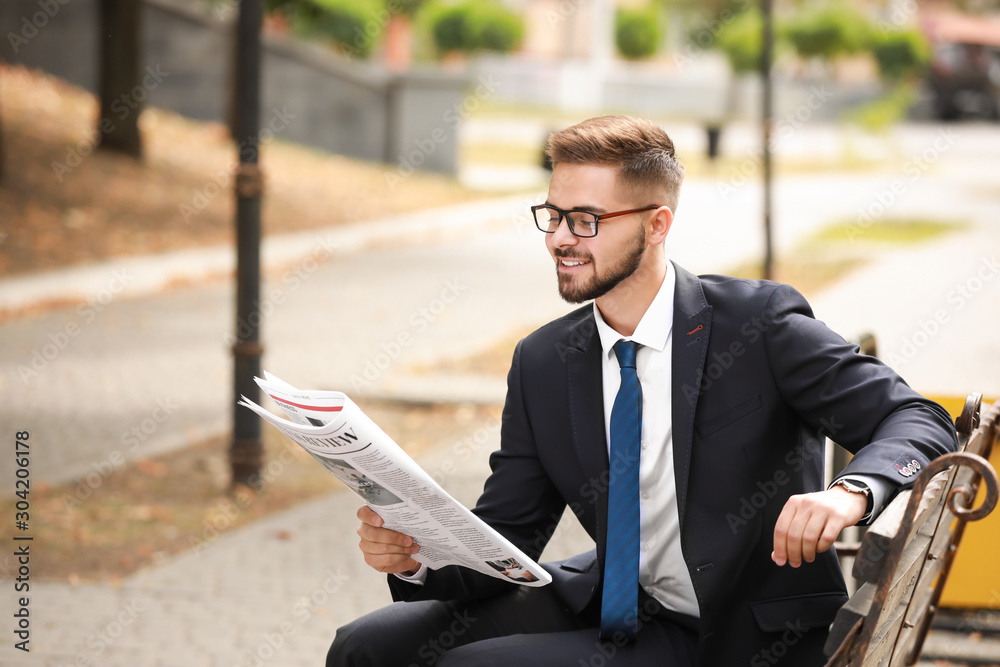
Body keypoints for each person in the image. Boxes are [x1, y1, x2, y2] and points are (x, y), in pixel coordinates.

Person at [328, 116, 958, 666]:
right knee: (368, 646)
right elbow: (509, 540)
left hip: (733, 635)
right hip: (611, 600)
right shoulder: (544, 360)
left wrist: (851, 493)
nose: (559, 239)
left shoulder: (758, 326)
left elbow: (918, 419)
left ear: (657, 225)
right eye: (553, 215)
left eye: (586, 220)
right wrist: (417, 556)